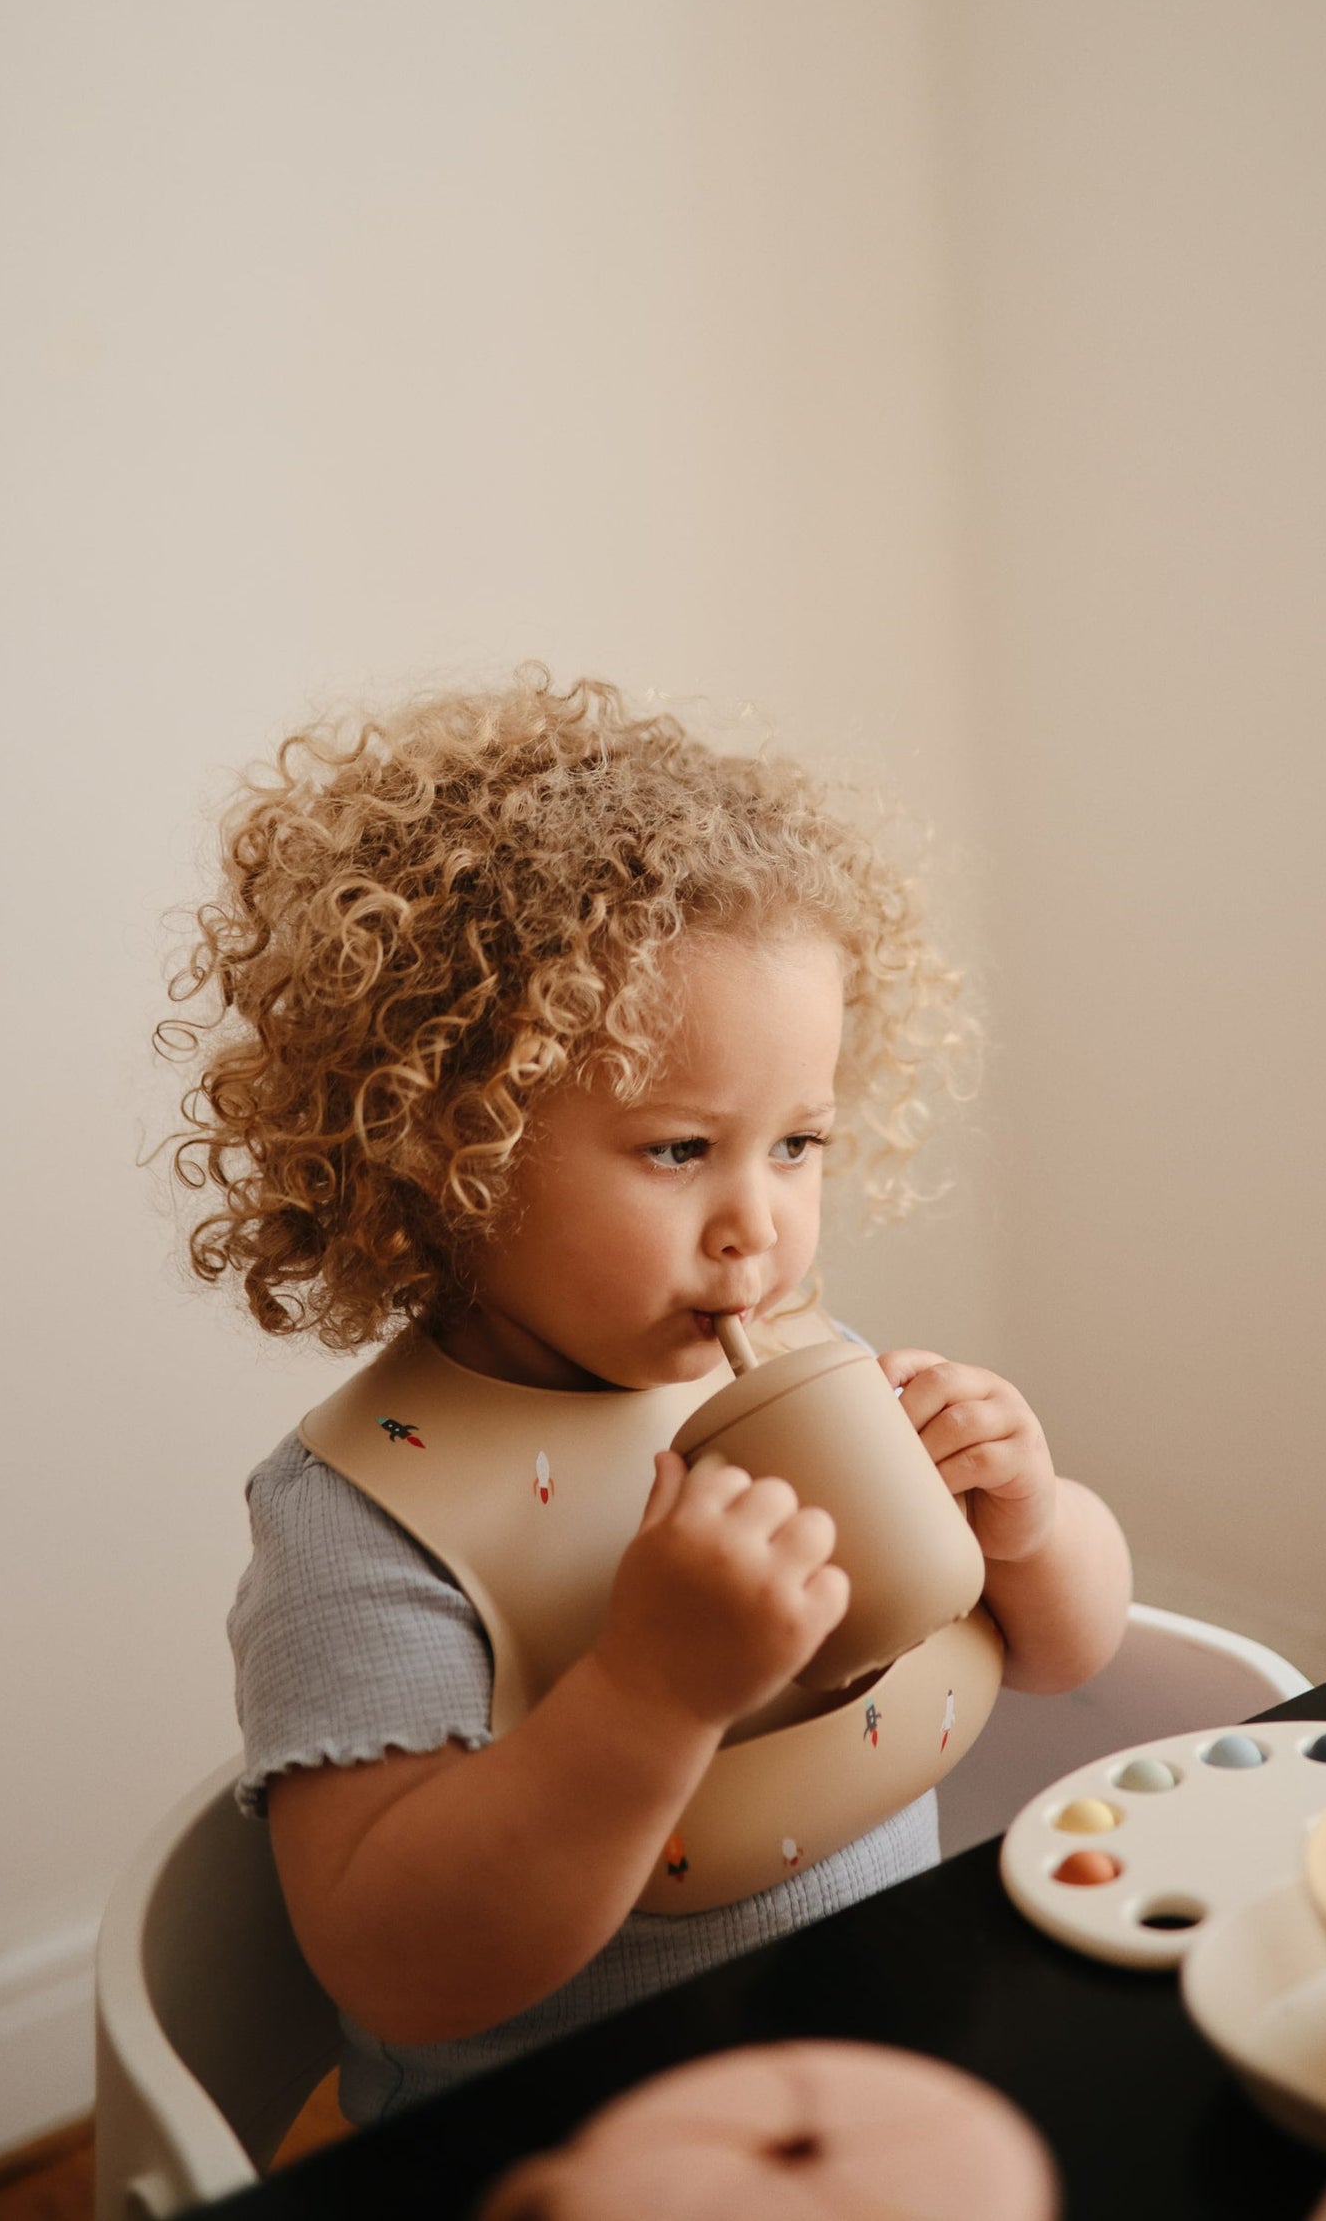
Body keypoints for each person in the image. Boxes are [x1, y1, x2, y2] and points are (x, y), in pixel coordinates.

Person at [166, 672, 1130, 2119]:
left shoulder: (806, 1366)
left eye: (797, 1143)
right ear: (452, 1146)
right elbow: (402, 1963)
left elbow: (1066, 1654)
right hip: (569, 2153)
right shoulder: (363, 1524)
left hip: (883, 2086)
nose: (760, 1226)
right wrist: (649, 1694)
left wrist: (1032, 1522)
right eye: (680, 1149)